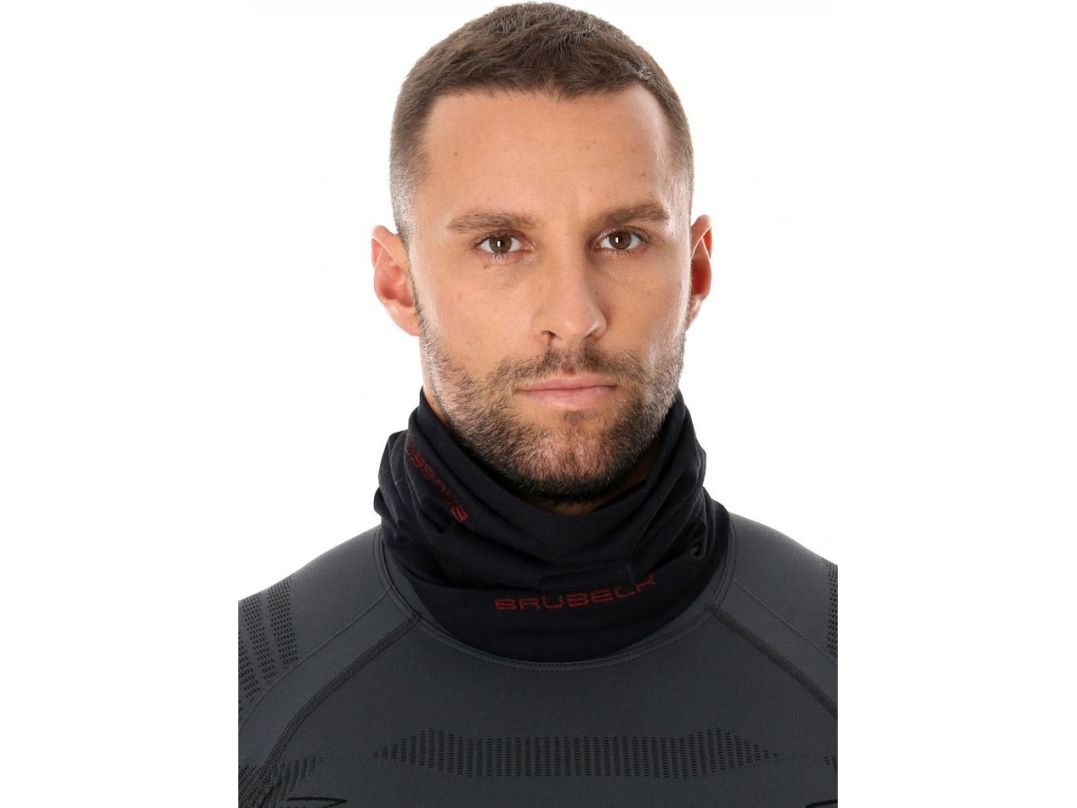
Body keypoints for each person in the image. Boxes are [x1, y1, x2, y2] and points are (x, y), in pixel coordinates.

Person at [238, 3, 837, 805]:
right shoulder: (243, 693)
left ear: (694, 273)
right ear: (398, 283)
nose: (573, 315)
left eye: (622, 239)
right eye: (499, 244)